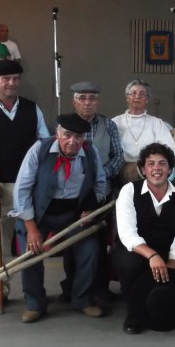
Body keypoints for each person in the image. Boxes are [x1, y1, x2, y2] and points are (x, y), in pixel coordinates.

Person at [0, 60, 50, 310]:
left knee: (30, 241)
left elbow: (44, 144)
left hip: (28, 187)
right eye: (6, 79)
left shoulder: (31, 109)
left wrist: (38, 181)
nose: (12, 83)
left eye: (15, 78)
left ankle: (32, 291)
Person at [12, 114, 108, 323]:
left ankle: (82, 299)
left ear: (84, 137)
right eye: (67, 135)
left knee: (90, 252)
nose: (72, 141)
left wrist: (92, 207)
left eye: (78, 137)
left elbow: (101, 184)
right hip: (38, 215)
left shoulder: (90, 152)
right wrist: (31, 228)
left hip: (73, 215)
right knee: (30, 256)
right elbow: (22, 190)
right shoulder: (40, 149)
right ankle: (35, 303)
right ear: (58, 134)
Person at [113, 143, 175, 335]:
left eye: (162, 163)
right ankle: (134, 312)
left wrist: (166, 271)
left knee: (167, 288)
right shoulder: (129, 191)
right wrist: (152, 256)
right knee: (131, 264)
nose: (156, 168)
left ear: (170, 169)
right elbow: (127, 234)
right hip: (136, 251)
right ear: (143, 169)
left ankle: (159, 306)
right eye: (151, 164)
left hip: (168, 253)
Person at [59, 82, 124, 304]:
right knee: (71, 241)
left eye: (92, 98)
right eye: (83, 98)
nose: (88, 103)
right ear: (74, 101)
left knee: (100, 243)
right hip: (73, 195)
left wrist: (102, 174)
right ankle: (71, 287)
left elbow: (118, 156)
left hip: (102, 194)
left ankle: (99, 289)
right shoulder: (65, 125)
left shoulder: (109, 125)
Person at [112, 79, 175, 184]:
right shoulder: (115, 122)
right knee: (133, 171)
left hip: (150, 166)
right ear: (127, 98)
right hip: (123, 168)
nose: (137, 96)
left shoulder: (157, 123)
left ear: (147, 100)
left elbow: (169, 148)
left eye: (142, 94)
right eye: (133, 93)